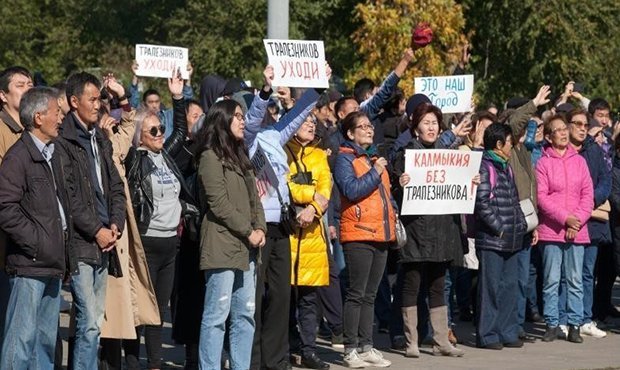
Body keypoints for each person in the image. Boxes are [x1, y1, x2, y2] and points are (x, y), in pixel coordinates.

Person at [55, 71, 127, 369]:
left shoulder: (100, 138)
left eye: (100, 99)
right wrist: (95, 229)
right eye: (92, 99)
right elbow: (69, 197)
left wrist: (115, 224)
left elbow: (115, 186)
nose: (98, 105)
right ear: (74, 102)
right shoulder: (64, 141)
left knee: (96, 319)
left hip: (105, 240)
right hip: (82, 243)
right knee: (88, 321)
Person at [123, 69, 192, 369]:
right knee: (140, 308)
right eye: (152, 130)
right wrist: (128, 95)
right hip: (145, 242)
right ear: (139, 134)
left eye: (159, 128)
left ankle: (155, 363)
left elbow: (179, 131)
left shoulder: (166, 155)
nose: (159, 134)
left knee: (159, 310)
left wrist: (178, 97)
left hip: (169, 244)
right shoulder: (134, 159)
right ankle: (132, 361)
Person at [0, 87, 69, 369]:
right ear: (39, 117)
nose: (61, 117)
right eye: (57, 112)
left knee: (43, 344)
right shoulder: (19, 157)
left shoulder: (53, 154)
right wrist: (38, 243)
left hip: (52, 264)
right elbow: (6, 208)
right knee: (20, 342)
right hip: (30, 265)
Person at [196, 99, 266, 369]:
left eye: (243, 115)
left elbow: (255, 199)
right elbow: (218, 202)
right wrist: (249, 231)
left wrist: (260, 227)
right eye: (237, 115)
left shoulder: (241, 155)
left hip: (247, 247)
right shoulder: (209, 157)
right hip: (222, 246)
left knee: (245, 315)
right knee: (216, 315)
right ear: (222, 120)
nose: (242, 120)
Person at [393, 103, 467, 358]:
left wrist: (470, 180)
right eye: (426, 122)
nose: (432, 127)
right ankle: (411, 341)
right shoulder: (405, 154)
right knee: (412, 283)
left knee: (438, 284)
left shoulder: (448, 154)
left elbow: (457, 188)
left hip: (442, 229)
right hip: (415, 230)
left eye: (435, 122)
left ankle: (440, 341)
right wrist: (400, 183)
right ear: (415, 128)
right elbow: (394, 193)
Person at [334, 111, 397, 368]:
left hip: (380, 232)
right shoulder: (344, 159)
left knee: (370, 294)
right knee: (356, 294)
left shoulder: (372, 159)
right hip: (358, 232)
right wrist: (376, 171)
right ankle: (350, 349)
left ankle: (367, 346)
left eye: (370, 126)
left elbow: (384, 196)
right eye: (362, 127)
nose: (369, 130)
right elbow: (351, 189)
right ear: (350, 134)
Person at [536, 114, 594, 343]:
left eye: (563, 129)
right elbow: (542, 197)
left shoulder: (579, 161)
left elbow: (588, 195)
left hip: (577, 230)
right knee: (551, 280)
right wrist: (565, 219)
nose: (562, 133)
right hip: (552, 231)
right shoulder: (543, 163)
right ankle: (552, 323)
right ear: (549, 137)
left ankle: (575, 324)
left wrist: (576, 220)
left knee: (575, 280)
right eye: (557, 130)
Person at [474, 122, 528, 349]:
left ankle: (508, 332)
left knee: (509, 287)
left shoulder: (507, 166)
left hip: (513, 238)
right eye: (509, 142)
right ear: (498, 144)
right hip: (493, 239)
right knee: (491, 289)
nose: (512, 146)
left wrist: (521, 224)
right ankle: (488, 335)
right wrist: (500, 228)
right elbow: (482, 203)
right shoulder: (484, 166)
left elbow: (514, 200)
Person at [558, 108, 610, 339]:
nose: (581, 128)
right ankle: (561, 319)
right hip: (565, 220)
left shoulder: (595, 151)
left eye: (584, 125)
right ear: (568, 125)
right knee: (563, 273)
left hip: (591, 221)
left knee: (587, 273)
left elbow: (605, 181)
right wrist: (573, 210)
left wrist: (588, 204)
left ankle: (584, 319)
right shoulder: (560, 151)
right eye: (577, 124)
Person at [285, 113, 332, 369]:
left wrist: (313, 208)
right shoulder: (282, 151)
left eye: (313, 123)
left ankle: (309, 349)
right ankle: (289, 346)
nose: (311, 126)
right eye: (306, 122)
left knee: (308, 299)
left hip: (313, 235)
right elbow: (284, 185)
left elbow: (326, 187)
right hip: (288, 232)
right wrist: (308, 194)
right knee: (284, 297)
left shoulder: (320, 155)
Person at [129, 61, 194, 140]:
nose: (154, 105)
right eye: (150, 102)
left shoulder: (168, 116)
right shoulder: (140, 117)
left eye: (157, 101)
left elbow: (185, 106)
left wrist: (188, 77)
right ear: (144, 103)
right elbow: (132, 103)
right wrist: (135, 76)